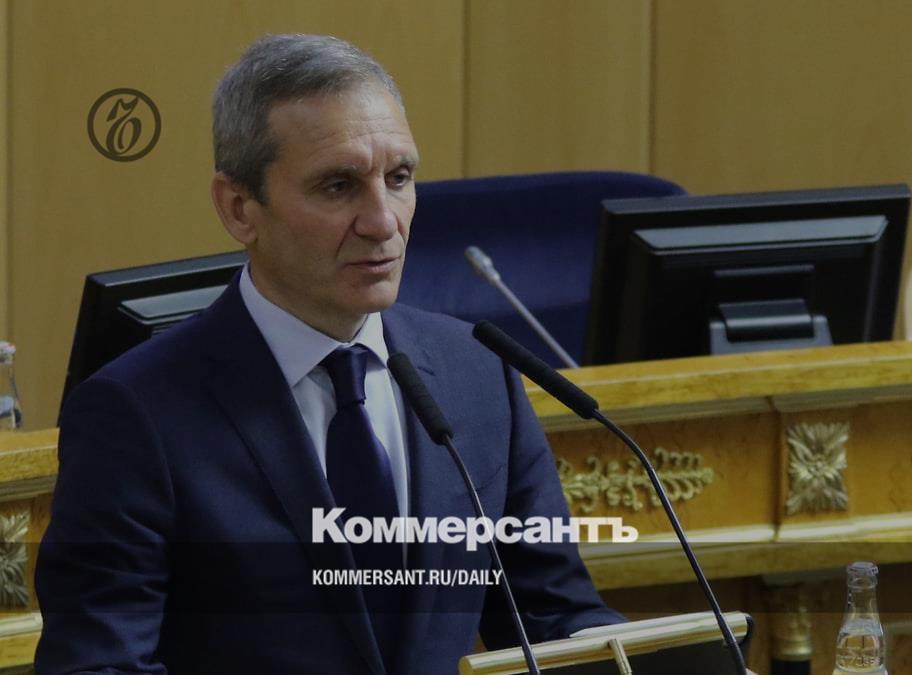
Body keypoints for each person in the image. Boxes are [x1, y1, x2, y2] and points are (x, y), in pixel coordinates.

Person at [35, 33, 622, 675]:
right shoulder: (134, 414)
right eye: (339, 186)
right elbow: (98, 666)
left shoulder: (477, 373)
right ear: (239, 208)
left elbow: (556, 620)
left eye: (399, 178)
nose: (383, 221)